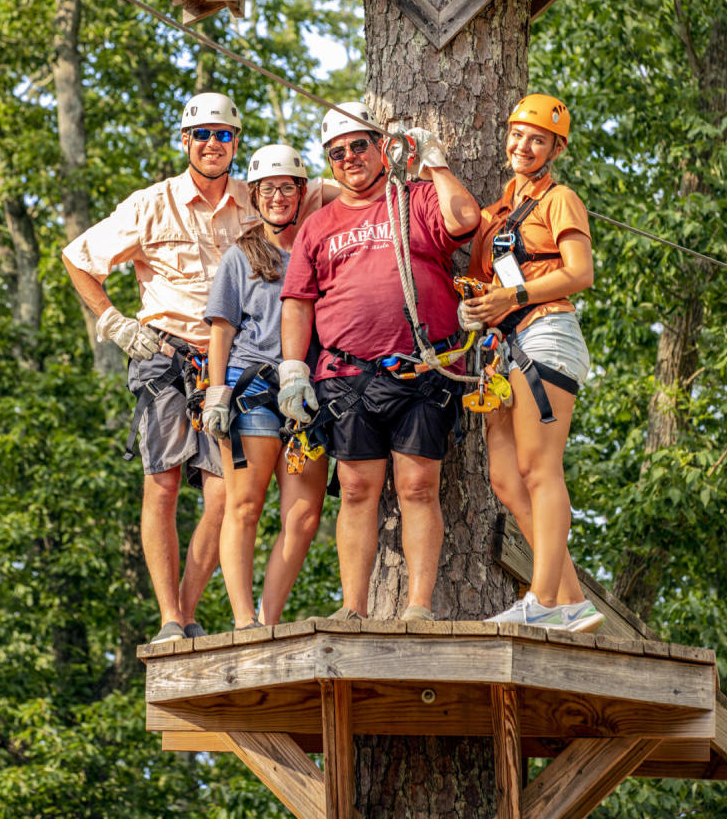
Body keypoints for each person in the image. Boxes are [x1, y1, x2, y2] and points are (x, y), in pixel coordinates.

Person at [62, 93, 335, 644]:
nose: (213, 144)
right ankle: (169, 618)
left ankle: (188, 612)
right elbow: (77, 256)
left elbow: (339, 188)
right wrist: (114, 321)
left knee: (222, 496)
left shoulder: (258, 194)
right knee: (161, 483)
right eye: (202, 135)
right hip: (164, 353)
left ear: (237, 143)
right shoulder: (151, 204)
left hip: (228, 364)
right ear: (184, 141)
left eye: (224, 135)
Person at [278, 102, 481, 622]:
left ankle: (417, 606)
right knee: (355, 488)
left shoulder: (412, 200)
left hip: (419, 368)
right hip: (345, 377)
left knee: (417, 486)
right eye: (337, 152)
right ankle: (352, 608)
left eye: (359, 146)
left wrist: (434, 162)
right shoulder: (318, 226)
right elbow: (299, 302)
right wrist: (293, 369)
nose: (349, 158)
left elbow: (465, 220)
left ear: (380, 148)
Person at [461, 93, 603, 632]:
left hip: (544, 333)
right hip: (501, 349)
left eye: (536, 139)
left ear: (555, 148)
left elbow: (580, 272)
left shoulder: (560, 199)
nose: (523, 146)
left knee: (539, 469)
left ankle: (542, 598)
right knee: (506, 478)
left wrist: (512, 300)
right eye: (517, 134)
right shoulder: (498, 211)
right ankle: (571, 600)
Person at [201, 144, 327, 630]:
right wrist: (216, 392)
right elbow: (222, 328)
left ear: (302, 192)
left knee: (303, 514)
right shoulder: (241, 256)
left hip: (306, 393)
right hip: (252, 386)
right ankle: (242, 619)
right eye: (267, 189)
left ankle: (270, 618)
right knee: (245, 503)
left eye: (287, 188)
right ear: (254, 196)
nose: (277, 197)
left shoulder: (320, 247)